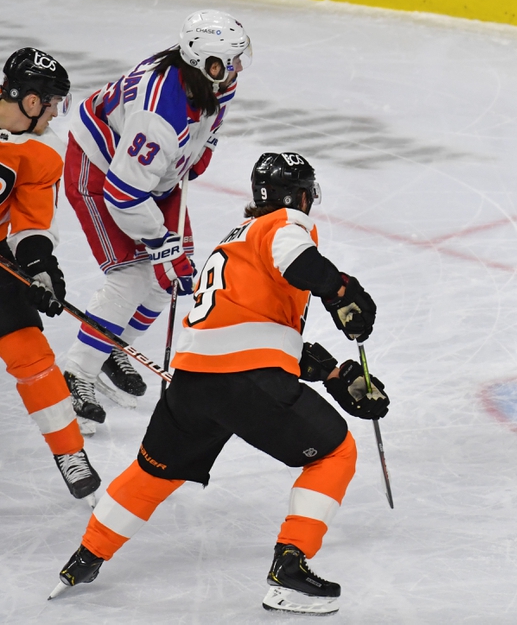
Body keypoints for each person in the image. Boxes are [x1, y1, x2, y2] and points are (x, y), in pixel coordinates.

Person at [52, 151, 386, 615]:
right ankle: (290, 570)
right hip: (245, 378)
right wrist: (343, 290)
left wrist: (332, 374)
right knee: (336, 453)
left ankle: (86, 557)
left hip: (191, 382)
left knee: (154, 471)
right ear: (302, 195)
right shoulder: (284, 224)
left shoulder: (234, 242)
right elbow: (299, 263)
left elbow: (254, 330)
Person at [60, 10, 251, 423]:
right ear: (205, 64)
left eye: (238, 59)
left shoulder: (208, 79)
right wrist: (161, 244)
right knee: (133, 275)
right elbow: (123, 195)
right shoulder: (159, 112)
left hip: (151, 177)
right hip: (101, 170)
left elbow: (207, 120)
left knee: (173, 278)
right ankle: (76, 372)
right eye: (229, 62)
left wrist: (200, 152)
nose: (236, 69)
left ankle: (108, 347)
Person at [0, 48, 100, 500]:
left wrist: (40, 266)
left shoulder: (42, 149)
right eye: (54, 101)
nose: (58, 111)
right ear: (31, 100)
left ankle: (69, 452)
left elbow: (31, 221)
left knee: (32, 354)